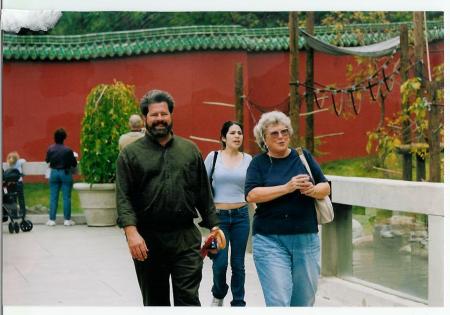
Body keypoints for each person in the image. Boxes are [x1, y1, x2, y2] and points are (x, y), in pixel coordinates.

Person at [116, 89, 223, 306]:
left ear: (171, 116)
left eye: (164, 114)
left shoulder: (189, 150)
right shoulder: (130, 154)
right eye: (154, 115)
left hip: (185, 237)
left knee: (189, 300)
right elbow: (123, 197)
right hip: (148, 240)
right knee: (156, 302)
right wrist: (131, 232)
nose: (159, 119)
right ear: (145, 118)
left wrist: (214, 227)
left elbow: (203, 193)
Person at [244, 111, 330, 307]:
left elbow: (325, 187)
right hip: (269, 240)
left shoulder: (303, 157)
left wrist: (312, 189)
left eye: (284, 132)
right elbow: (251, 195)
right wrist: (287, 187)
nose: (281, 136)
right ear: (263, 139)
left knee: (303, 301)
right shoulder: (258, 163)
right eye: (274, 133)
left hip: (306, 239)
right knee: (278, 301)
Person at [204, 121, 252, 307]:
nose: (237, 136)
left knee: (238, 264)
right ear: (224, 137)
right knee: (220, 263)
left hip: (241, 216)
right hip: (219, 218)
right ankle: (218, 292)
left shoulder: (248, 159)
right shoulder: (213, 157)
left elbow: (253, 187)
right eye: (232, 133)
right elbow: (202, 186)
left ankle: (238, 303)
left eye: (240, 132)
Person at [45, 128, 78, 226]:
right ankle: (67, 220)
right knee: (66, 197)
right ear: (64, 138)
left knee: (53, 197)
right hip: (65, 173)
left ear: (54, 138)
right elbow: (74, 164)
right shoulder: (68, 150)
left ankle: (52, 220)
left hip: (54, 172)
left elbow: (47, 160)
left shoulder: (50, 148)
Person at [5, 151, 26, 218]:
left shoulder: (8, 163)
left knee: (13, 198)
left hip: (11, 184)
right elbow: (24, 160)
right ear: (17, 158)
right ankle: (22, 213)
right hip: (19, 183)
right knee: (21, 198)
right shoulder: (19, 162)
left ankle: (14, 214)